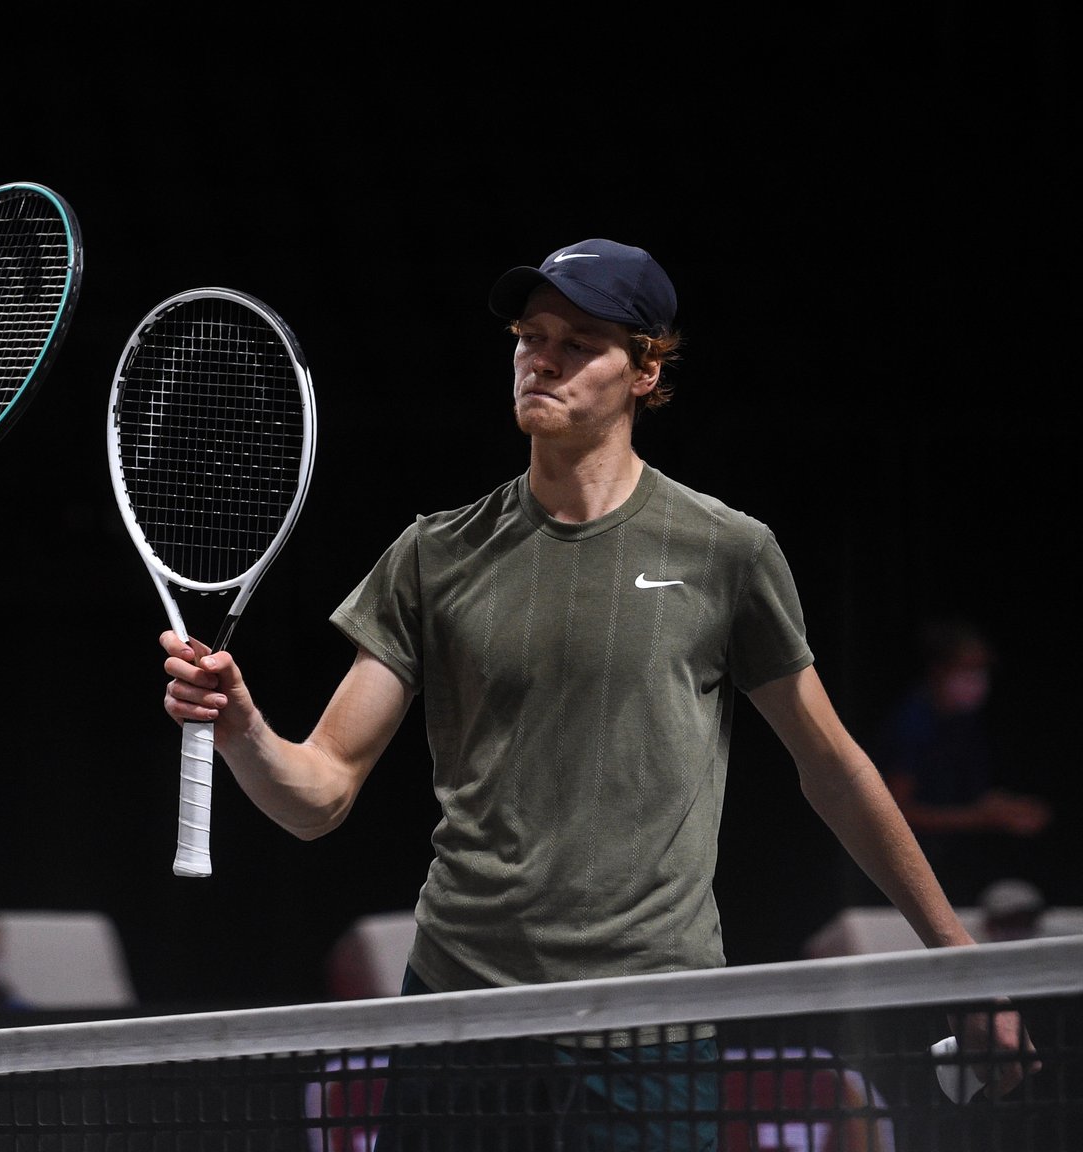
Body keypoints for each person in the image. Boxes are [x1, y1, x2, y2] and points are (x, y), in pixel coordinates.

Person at [157, 239, 1035, 1148]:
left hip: (649, 1024)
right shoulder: (434, 554)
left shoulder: (726, 551)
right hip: (461, 1016)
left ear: (647, 368)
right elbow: (319, 796)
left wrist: (960, 965)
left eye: (579, 340)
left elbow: (833, 769)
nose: (542, 356)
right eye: (530, 335)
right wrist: (243, 726)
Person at [873, 617, 1052, 902]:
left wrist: (1007, 807)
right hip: (901, 869)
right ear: (938, 670)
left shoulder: (964, 721)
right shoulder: (912, 724)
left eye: (981, 670)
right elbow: (898, 814)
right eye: (967, 670)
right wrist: (982, 819)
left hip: (950, 860)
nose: (977, 680)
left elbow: (972, 794)